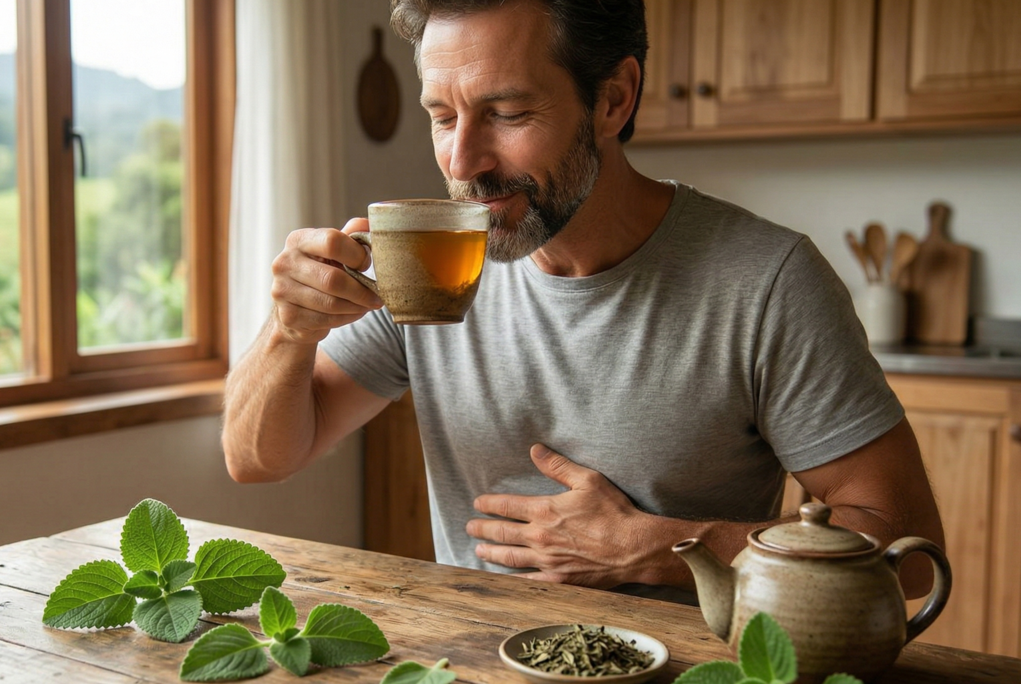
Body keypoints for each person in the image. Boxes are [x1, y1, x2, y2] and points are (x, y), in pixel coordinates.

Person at [222, 0, 944, 603]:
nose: (462, 162)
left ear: (613, 99)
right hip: (469, 682)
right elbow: (256, 458)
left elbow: (906, 555)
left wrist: (665, 549)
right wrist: (288, 332)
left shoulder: (768, 281)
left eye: (505, 112)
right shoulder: (429, 260)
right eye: (443, 116)